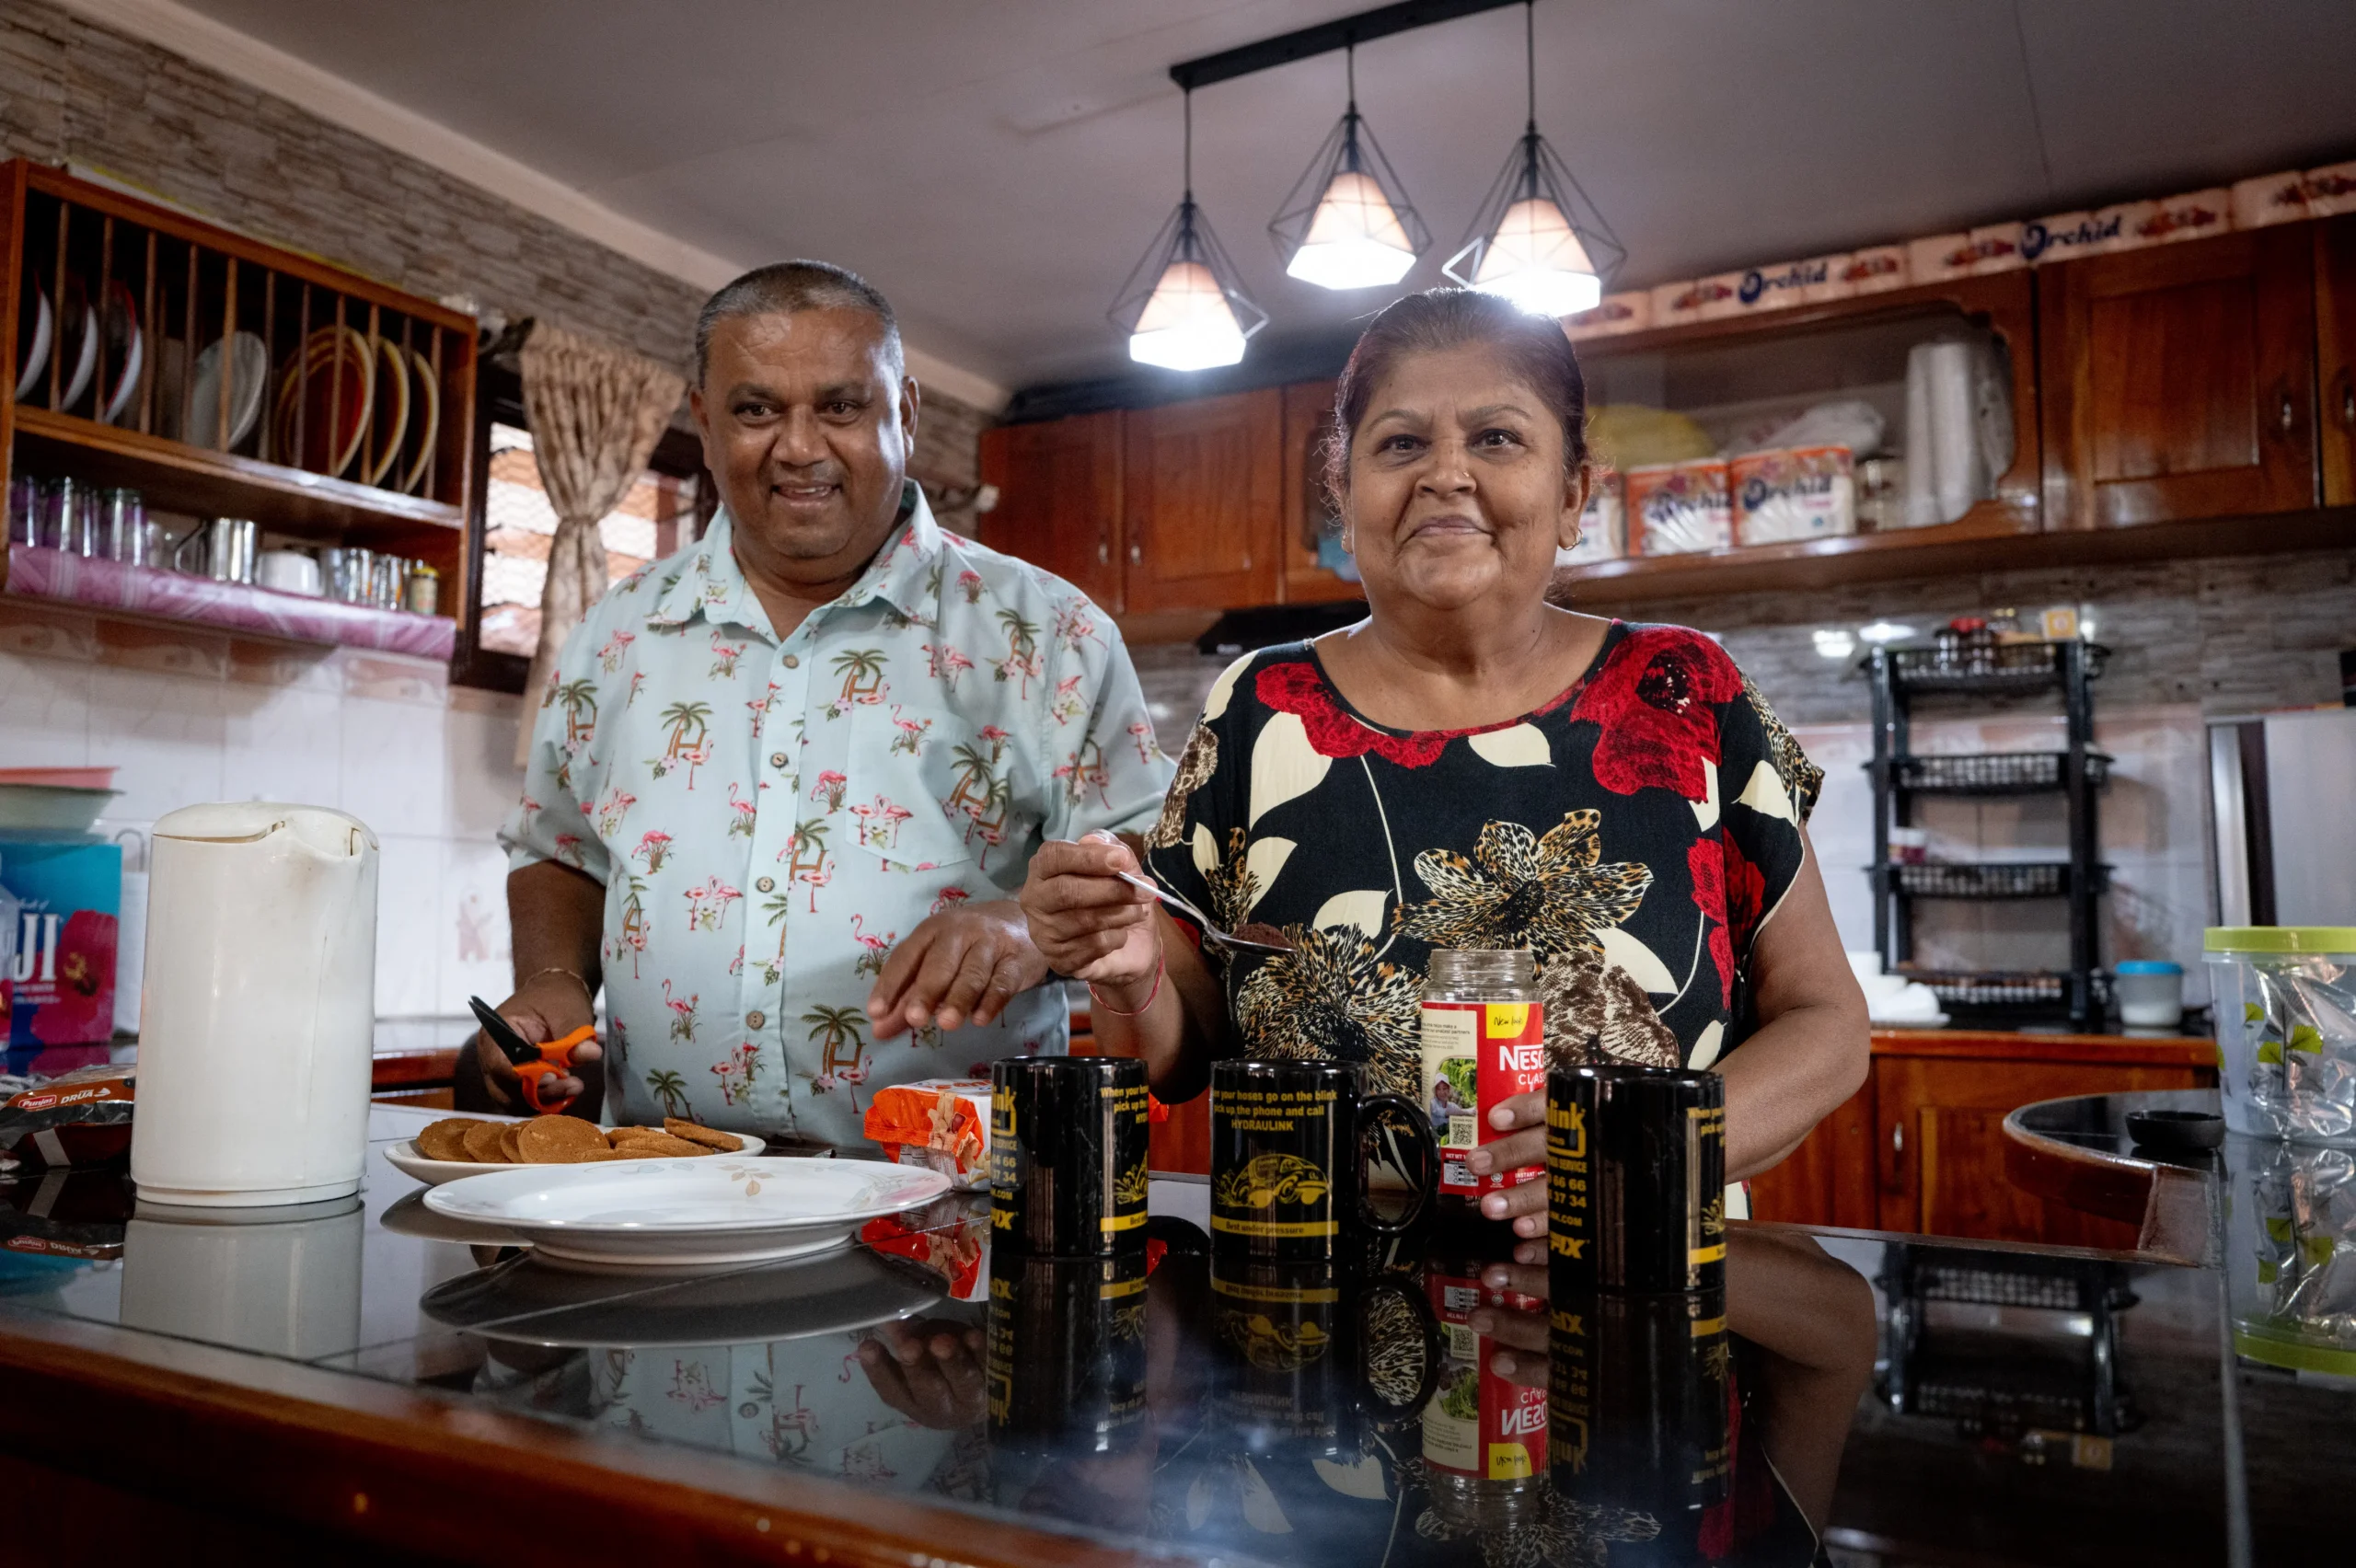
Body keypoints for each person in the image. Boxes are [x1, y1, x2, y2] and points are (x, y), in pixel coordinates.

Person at [1022, 287, 1869, 1239]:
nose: (1445, 475)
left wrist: (1660, 1147)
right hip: (1314, 1312)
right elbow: (1176, 1054)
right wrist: (1125, 973)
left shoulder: (1686, 690)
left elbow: (1827, 1024)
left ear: (1573, 492)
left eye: (1498, 438)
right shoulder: (1259, 709)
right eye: (1399, 444)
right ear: (1345, 496)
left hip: (1641, 1283)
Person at [468, 260, 1173, 1138]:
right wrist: (554, 982)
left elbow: (1156, 863)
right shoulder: (617, 630)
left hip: (947, 1213)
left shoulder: (1052, 633)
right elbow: (560, 845)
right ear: (703, 419)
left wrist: (1035, 929)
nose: (799, 446)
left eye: (840, 406)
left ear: (904, 413)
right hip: (659, 1196)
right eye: (757, 410)